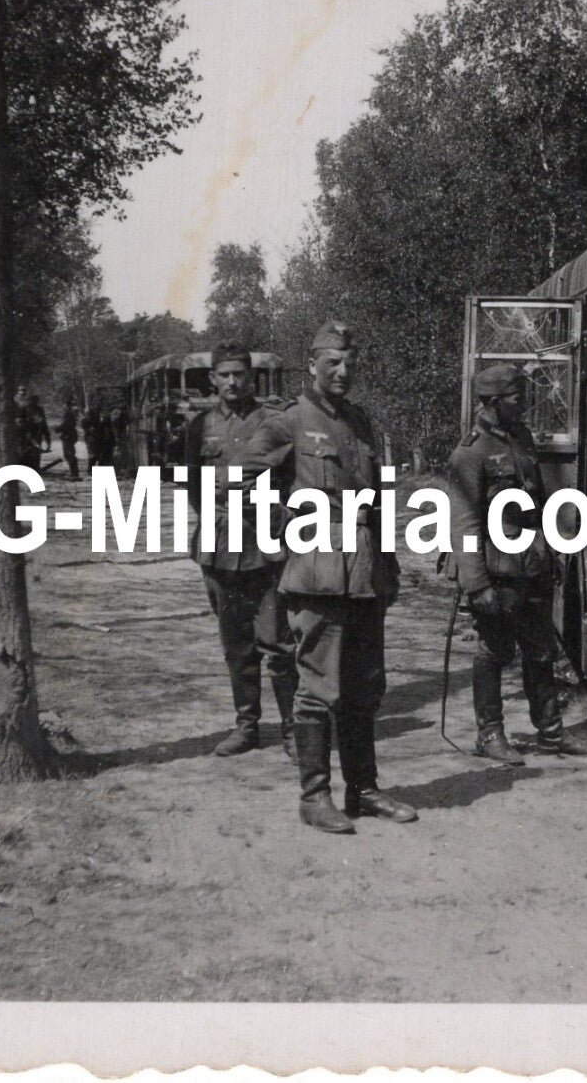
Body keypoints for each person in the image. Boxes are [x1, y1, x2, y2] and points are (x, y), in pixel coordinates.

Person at [251, 320, 416, 834]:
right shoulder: (288, 422)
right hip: (317, 571)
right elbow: (239, 480)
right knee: (319, 686)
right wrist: (280, 541)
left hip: (365, 571)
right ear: (313, 365)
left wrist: (387, 564)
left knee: (366, 686)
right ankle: (314, 794)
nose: (343, 372)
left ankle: (363, 790)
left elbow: (377, 500)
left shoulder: (360, 422)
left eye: (350, 363)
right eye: (333, 363)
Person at [449, 363, 587, 764]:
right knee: (494, 651)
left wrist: (551, 549)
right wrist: (476, 584)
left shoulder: (521, 437)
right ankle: (489, 735)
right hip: (496, 570)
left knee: (539, 651)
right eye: (517, 398)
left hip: (531, 563)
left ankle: (551, 733)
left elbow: (534, 503)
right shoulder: (470, 452)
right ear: (493, 401)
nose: (525, 405)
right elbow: (463, 521)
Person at [184, 341, 297, 759]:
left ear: (251, 377)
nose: (233, 382)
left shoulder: (276, 422)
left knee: (279, 643)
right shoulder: (200, 426)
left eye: (239, 374)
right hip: (219, 547)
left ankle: (292, 730)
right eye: (224, 374)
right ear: (213, 379)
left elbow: (292, 481)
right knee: (236, 644)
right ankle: (247, 726)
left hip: (267, 546)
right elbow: (192, 485)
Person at [13, 385, 43, 471]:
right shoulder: (26, 402)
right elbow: (32, 415)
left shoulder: (13, 400)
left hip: (15, 425)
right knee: (27, 445)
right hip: (24, 426)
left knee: (19, 446)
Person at [56, 400, 81, 481]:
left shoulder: (68, 414)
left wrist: (57, 429)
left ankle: (74, 474)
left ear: (67, 406)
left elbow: (65, 425)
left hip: (67, 436)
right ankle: (74, 473)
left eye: (65, 405)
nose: (63, 407)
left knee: (68, 454)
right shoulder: (71, 414)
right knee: (70, 454)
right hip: (70, 436)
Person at [83, 402, 112, 469]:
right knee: (96, 455)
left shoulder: (99, 417)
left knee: (97, 455)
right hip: (95, 438)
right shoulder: (92, 417)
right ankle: (92, 469)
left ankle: (92, 469)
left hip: (98, 438)